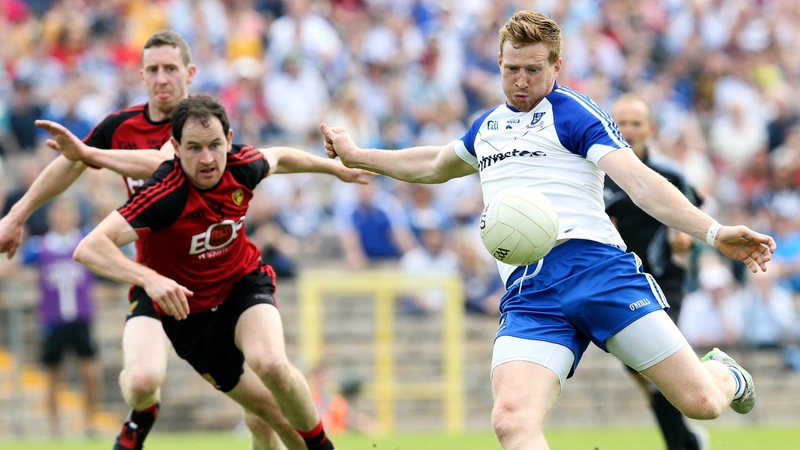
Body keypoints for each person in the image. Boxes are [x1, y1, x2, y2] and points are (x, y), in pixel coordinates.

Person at [320, 11, 776, 450]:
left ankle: (726, 375)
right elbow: (435, 163)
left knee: (702, 403)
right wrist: (360, 156)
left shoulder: (574, 113)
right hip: (530, 291)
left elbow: (640, 182)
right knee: (511, 421)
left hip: (597, 270)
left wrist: (714, 233)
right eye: (512, 68)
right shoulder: (487, 127)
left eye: (533, 70)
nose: (521, 81)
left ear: (556, 66)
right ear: (498, 63)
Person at [0, 30, 290, 450]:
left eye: (170, 68)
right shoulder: (122, 127)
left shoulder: (205, 131)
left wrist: (91, 154)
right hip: (155, 277)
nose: (161, 78)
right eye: (152, 70)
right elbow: (70, 164)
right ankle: (144, 411)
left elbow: (156, 161)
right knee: (141, 382)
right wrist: (17, 213)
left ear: (189, 73)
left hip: (221, 280)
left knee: (268, 412)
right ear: (141, 76)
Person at [70, 95, 372, 450]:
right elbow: (89, 247)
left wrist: (333, 167)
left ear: (229, 140)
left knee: (272, 365)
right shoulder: (163, 194)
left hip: (241, 284)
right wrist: (150, 279)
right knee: (265, 414)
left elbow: (280, 156)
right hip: (192, 318)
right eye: (194, 148)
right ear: (175, 149)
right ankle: (144, 416)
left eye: (215, 145)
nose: (208, 158)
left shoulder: (242, 165)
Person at [604, 94, 710, 450]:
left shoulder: (669, 174)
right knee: (648, 374)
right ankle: (689, 441)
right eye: (622, 123)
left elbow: (692, 218)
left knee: (659, 365)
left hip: (663, 282)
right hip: (616, 288)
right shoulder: (593, 175)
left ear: (650, 129)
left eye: (636, 123)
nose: (629, 130)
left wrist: (684, 239)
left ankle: (684, 443)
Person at [0, 197, 102, 437]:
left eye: (68, 213)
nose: (64, 218)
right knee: (53, 374)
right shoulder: (40, 246)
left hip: (81, 317)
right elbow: (11, 266)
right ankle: (55, 427)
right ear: (51, 218)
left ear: (75, 216)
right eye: (59, 213)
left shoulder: (86, 241)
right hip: (52, 319)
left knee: (90, 371)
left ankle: (91, 421)